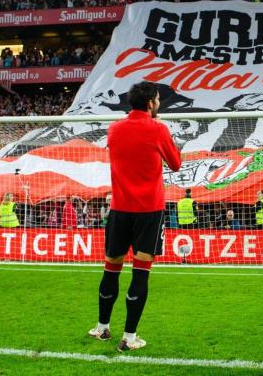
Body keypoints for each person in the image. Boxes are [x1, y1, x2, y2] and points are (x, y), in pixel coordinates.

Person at [88, 81, 181, 352]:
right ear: (151, 101)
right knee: (140, 272)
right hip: (149, 211)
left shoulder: (114, 128)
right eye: (158, 100)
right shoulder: (158, 129)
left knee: (111, 267)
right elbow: (175, 164)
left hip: (119, 209)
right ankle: (129, 338)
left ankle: (102, 328)